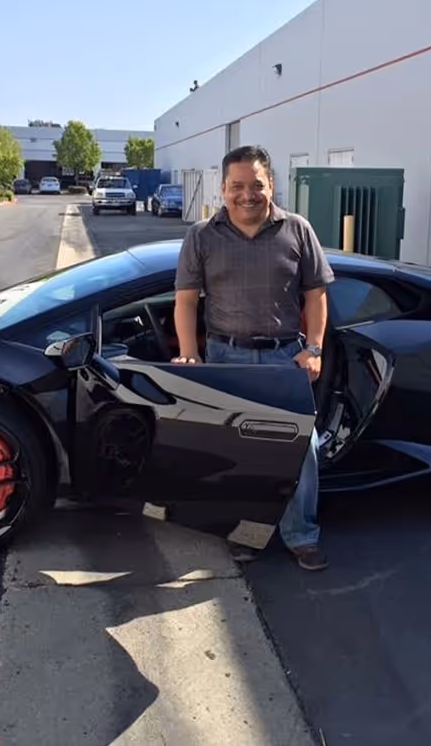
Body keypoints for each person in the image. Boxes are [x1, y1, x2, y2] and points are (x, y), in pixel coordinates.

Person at [172, 145, 333, 572]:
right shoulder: (201, 236)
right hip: (226, 360)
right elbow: (185, 301)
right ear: (223, 189)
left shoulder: (298, 230)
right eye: (237, 186)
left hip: (285, 360)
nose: (247, 195)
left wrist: (314, 349)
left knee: (303, 450)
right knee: (236, 452)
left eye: (256, 185)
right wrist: (189, 354)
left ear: (271, 185)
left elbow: (317, 295)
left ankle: (302, 537)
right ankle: (246, 535)